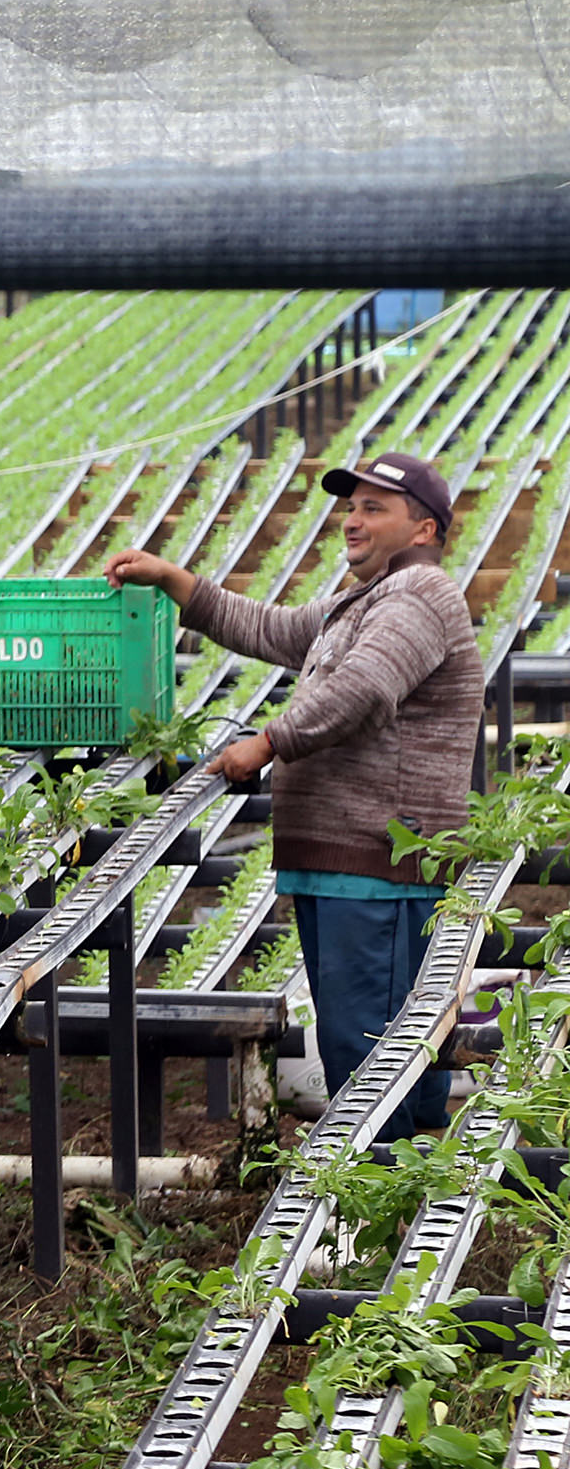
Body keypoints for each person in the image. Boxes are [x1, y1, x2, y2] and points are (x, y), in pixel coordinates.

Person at [106, 452, 481, 1136]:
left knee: (374, 1051)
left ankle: (384, 1211)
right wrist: (173, 581)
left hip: (380, 865)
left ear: (423, 530)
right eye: (350, 506)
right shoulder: (364, 601)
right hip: (348, 865)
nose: (353, 520)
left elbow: (363, 690)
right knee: (382, 1047)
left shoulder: (420, 597)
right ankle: (398, 1194)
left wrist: (269, 743)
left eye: (374, 508)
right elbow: (269, 629)